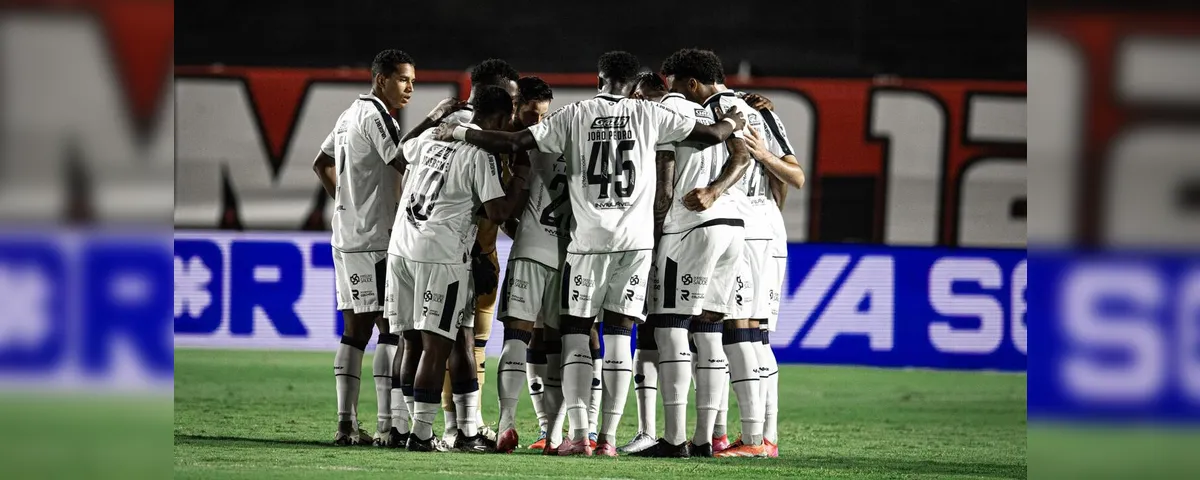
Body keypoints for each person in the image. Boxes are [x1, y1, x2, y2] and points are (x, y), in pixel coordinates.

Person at [432, 50, 746, 456]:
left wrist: (457, 132)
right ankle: (608, 439)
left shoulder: (572, 115)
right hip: (635, 243)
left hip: (587, 242)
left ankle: (575, 435)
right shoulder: (651, 114)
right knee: (617, 336)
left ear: (599, 79)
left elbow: (513, 142)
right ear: (634, 85)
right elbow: (712, 136)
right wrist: (734, 120)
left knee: (575, 334)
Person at [383, 84, 530, 452]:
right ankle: (420, 435)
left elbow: (401, 153)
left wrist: (432, 117)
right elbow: (497, 212)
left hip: (402, 247)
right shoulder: (479, 153)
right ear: (498, 117)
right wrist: (522, 177)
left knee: (410, 339)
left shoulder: (432, 136)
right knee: (437, 346)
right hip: (441, 255)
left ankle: (407, 427)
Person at [634, 66, 755, 458]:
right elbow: (743, 154)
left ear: (642, 95)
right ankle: (705, 438)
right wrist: (716, 190)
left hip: (688, 227)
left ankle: (672, 439)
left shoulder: (663, 112)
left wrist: (651, 240)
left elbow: (665, 186)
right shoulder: (709, 112)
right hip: (732, 224)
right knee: (709, 330)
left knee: (669, 327)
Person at [312, 49, 414, 447]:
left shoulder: (348, 114)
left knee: (354, 332)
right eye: (403, 79)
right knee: (391, 330)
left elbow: (320, 163)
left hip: (348, 236)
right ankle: (388, 426)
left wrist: (345, 202)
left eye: (412, 81)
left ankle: (346, 424)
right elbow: (403, 158)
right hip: (376, 241)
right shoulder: (378, 117)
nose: (409, 87)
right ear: (380, 79)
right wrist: (434, 125)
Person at [434, 58, 522, 446]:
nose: (515, 108)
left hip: (478, 247)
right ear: (495, 92)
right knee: (460, 342)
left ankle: (466, 422)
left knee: (471, 344)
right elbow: (463, 201)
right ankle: (456, 426)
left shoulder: (449, 128)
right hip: (463, 251)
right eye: (511, 97)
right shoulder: (479, 134)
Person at [490, 76, 567, 453]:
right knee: (552, 342)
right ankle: (554, 433)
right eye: (532, 114)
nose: (538, 121)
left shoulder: (520, 145)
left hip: (533, 249)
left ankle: (507, 424)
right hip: (567, 252)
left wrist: (505, 219)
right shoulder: (567, 137)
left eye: (543, 115)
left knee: (518, 337)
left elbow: (510, 205)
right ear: (517, 105)